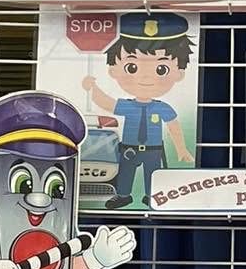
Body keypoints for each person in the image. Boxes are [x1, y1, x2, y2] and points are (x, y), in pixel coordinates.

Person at [82, 12, 195, 208]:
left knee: (153, 174)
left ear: (179, 73)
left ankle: (152, 195)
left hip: (153, 150)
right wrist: (92, 88)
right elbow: (106, 103)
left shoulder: (162, 107)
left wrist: (181, 149)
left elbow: (173, 126)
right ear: (113, 70)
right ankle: (123, 195)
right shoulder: (127, 106)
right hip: (129, 149)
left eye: (161, 69)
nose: (145, 77)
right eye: (132, 67)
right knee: (125, 173)